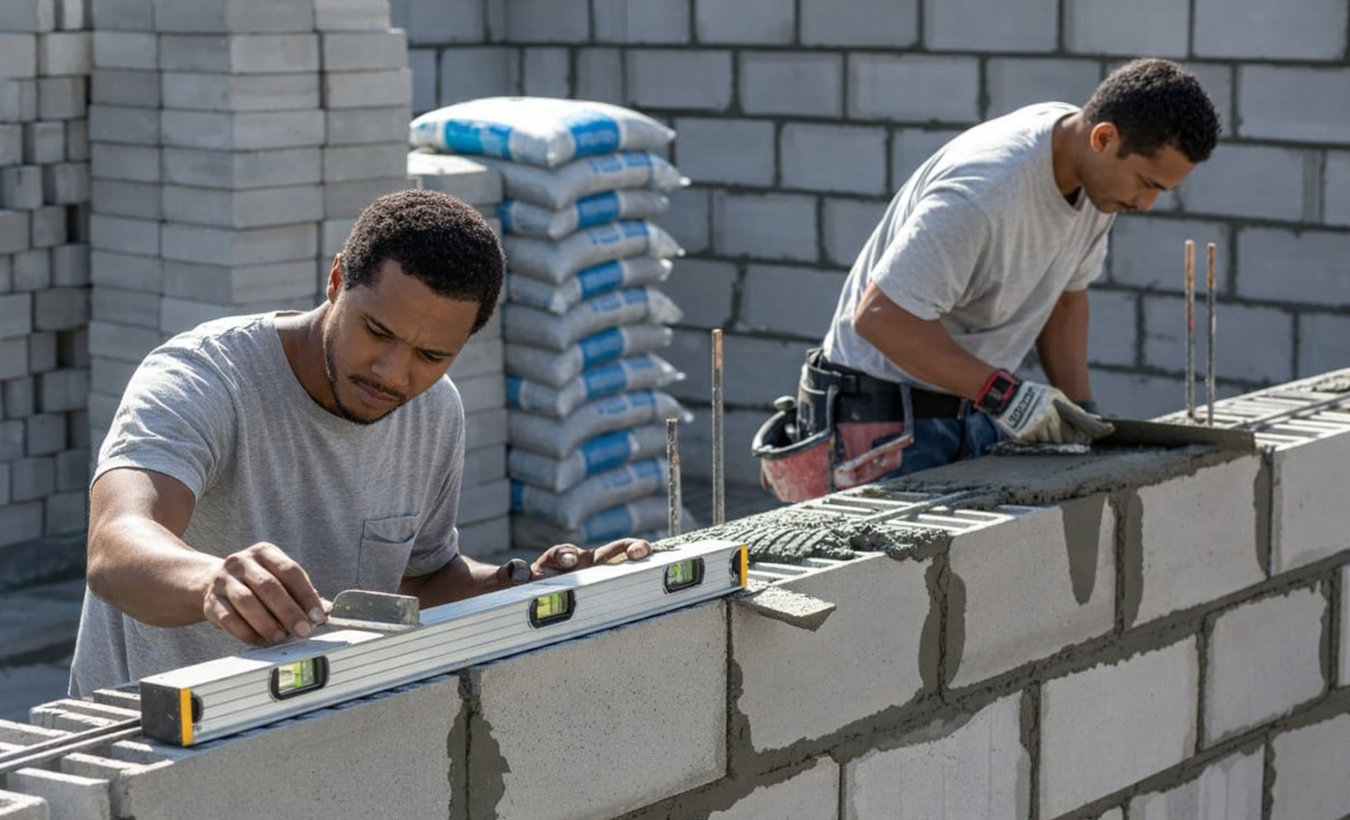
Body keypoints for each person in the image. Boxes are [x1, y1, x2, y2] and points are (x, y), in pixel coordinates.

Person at [70, 189, 650, 695]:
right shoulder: (204, 378)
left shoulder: (436, 411)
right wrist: (212, 583)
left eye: (431, 356)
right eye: (378, 332)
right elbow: (115, 548)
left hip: (307, 726)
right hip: (148, 738)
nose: (394, 375)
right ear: (336, 281)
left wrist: (517, 583)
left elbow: (419, 579)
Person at [754, 57, 1220, 502]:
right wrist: (1006, 396)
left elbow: (1064, 299)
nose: (1147, 204)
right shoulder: (984, 193)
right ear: (1103, 138)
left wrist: (1081, 411)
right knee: (887, 582)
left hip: (967, 404)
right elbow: (880, 319)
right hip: (881, 423)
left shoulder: (1098, 183)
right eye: (1147, 183)